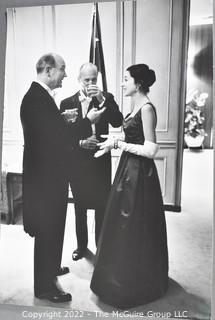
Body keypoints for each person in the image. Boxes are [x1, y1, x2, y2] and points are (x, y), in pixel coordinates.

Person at [20, 53, 104, 303]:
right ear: (48, 70)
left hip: (50, 176)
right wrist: (85, 121)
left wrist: (63, 121)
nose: (66, 75)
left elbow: (51, 131)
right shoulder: (36, 99)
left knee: (55, 226)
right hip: (45, 180)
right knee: (48, 229)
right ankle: (44, 287)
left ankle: (51, 267)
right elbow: (55, 140)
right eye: (62, 69)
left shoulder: (41, 97)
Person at [90, 64, 169, 308]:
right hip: (128, 170)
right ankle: (116, 278)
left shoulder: (146, 108)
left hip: (140, 174)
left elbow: (151, 148)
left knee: (133, 223)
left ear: (138, 84)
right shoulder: (135, 106)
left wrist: (120, 146)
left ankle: (136, 282)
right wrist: (114, 140)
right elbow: (131, 136)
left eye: (126, 79)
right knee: (120, 223)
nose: (123, 83)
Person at [60, 63, 123, 261]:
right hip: (77, 163)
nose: (90, 83)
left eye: (94, 79)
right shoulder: (66, 102)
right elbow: (63, 137)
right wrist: (80, 142)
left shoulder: (106, 98)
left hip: (100, 161)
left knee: (102, 207)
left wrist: (102, 98)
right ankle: (81, 247)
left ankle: (101, 247)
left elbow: (118, 121)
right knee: (79, 207)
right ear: (79, 80)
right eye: (86, 80)